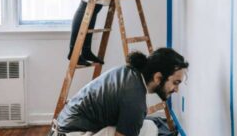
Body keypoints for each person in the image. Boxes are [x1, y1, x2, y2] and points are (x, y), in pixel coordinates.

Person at [52, 48, 189, 136]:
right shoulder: (134, 101)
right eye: (175, 83)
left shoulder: (128, 72)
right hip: (71, 133)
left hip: (63, 129)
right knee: (148, 130)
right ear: (158, 77)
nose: (176, 90)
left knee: (148, 126)